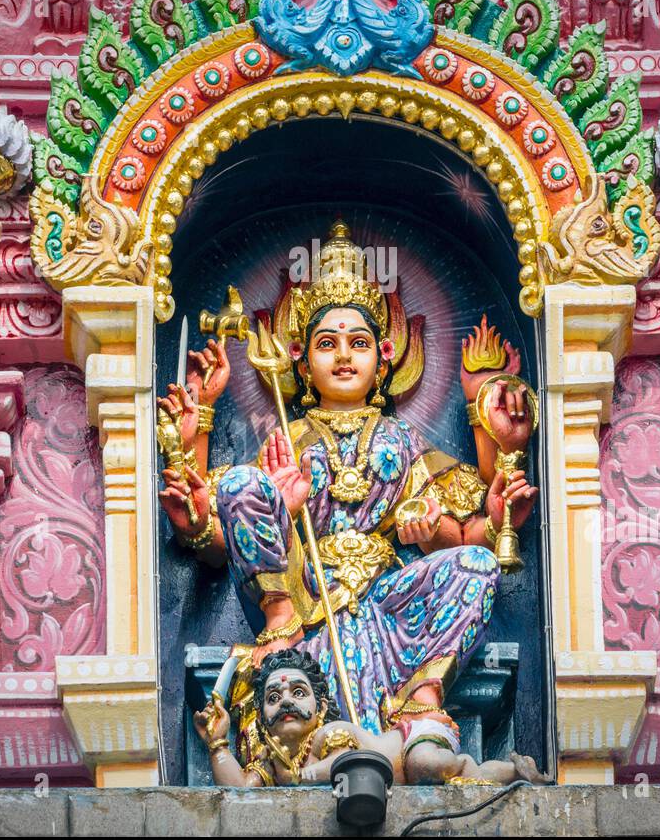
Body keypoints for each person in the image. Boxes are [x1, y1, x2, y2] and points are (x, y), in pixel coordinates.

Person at [159, 221, 537, 759]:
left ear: (385, 355)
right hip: (303, 585)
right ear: (301, 358)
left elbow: (471, 529)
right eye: (327, 343)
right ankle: (279, 621)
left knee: (476, 567)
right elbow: (223, 532)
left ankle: (420, 693)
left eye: (358, 343)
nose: (343, 356)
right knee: (246, 481)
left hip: (385, 598)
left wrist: (481, 485)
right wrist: (214, 500)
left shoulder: (401, 440)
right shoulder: (288, 437)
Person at [194, 647, 544, 787]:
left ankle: (482, 765)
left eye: (298, 693)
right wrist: (218, 743)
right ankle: (505, 772)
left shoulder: (330, 733)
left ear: (319, 705)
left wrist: (300, 776)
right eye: (273, 697)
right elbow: (238, 790)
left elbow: (346, 764)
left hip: (412, 739)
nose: (286, 702)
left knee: (427, 766)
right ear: (260, 716)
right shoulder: (273, 760)